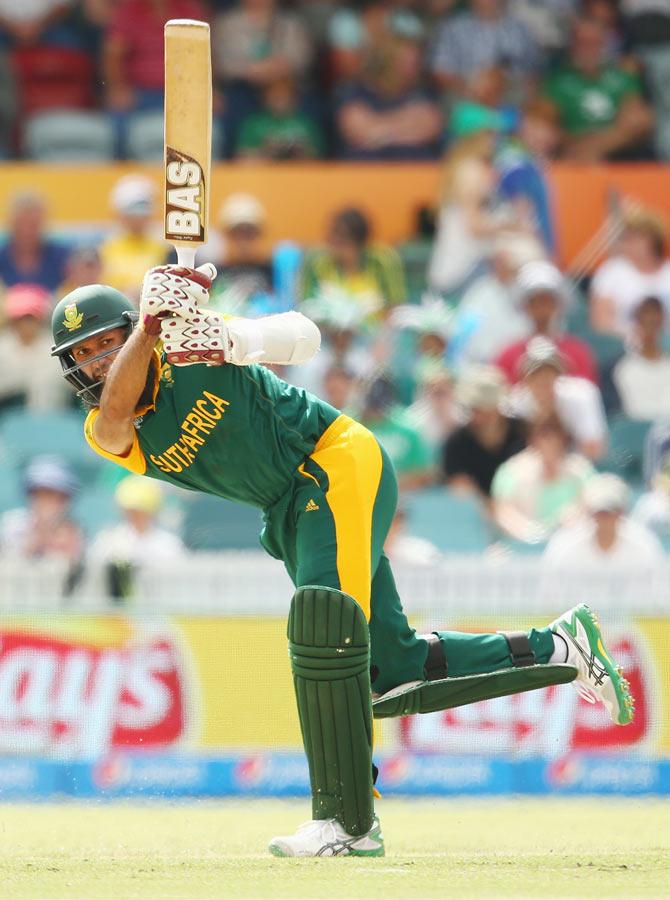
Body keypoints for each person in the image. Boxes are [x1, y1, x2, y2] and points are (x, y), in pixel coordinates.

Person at [50, 262, 634, 857]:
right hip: (287, 506)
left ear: (126, 332)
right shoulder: (107, 430)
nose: (98, 360)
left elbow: (305, 335)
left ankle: (346, 822)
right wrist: (149, 329)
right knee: (387, 674)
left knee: (324, 626)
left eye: (107, 343)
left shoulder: (193, 348)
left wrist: (230, 337)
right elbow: (121, 407)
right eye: (85, 353)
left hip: (334, 460)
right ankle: (562, 648)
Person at [542, 15, 653, 162]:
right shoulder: (556, 82)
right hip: (572, 151)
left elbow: (638, 122)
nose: (587, 49)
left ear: (603, 44)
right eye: (582, 42)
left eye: (594, 42)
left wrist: (594, 147)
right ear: (572, 45)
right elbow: (548, 128)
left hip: (618, 155)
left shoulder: (622, 77)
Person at [334, 31, 442, 161]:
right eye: (406, 62)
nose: (414, 67)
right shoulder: (355, 91)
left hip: (414, 168)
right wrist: (406, 124)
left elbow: (430, 127)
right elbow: (356, 129)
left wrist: (379, 128)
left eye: (415, 62)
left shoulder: (423, 93)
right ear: (387, 61)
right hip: (364, 170)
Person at [492, 417, 593, 545]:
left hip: (571, 545)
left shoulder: (580, 469)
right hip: (525, 550)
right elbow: (502, 512)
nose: (548, 441)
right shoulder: (511, 471)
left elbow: (594, 500)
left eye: (553, 434)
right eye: (542, 435)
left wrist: (575, 518)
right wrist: (530, 532)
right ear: (532, 439)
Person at [496, 260, 598, 384]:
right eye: (534, 302)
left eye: (546, 301)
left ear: (558, 304)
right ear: (524, 306)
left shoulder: (577, 353)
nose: (541, 309)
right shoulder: (509, 356)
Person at [299, 207, 407, 323]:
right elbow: (307, 306)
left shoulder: (382, 261)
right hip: (329, 333)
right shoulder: (318, 262)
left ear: (359, 240)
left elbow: (395, 305)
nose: (335, 243)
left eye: (343, 239)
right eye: (332, 237)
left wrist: (381, 338)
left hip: (375, 333)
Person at [88, 474, 185, 601]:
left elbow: (178, 579)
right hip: (115, 613)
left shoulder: (169, 544)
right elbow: (96, 575)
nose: (135, 516)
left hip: (159, 609)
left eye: (141, 510)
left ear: (152, 510)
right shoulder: (108, 540)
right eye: (131, 510)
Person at [510, 337, 608, 461]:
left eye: (550, 374)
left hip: (575, 466)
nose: (544, 380)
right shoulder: (516, 404)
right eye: (536, 375)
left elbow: (594, 451)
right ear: (525, 380)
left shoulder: (580, 395)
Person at [441, 365, 526, 499]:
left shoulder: (523, 431)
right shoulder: (457, 442)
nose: (478, 415)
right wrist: (491, 508)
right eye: (474, 408)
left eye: (484, 407)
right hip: (474, 514)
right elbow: (459, 485)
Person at [543, 473, 664, 566]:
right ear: (589, 513)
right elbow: (550, 591)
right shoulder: (565, 545)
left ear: (622, 512)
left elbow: (657, 590)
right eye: (599, 512)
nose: (605, 518)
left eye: (611, 511)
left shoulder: (644, 545)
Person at [590, 206, 670, 339]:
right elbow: (601, 322)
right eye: (626, 238)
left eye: (637, 237)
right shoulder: (612, 271)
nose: (629, 243)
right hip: (625, 346)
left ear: (654, 239)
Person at [0, 456, 83, 563]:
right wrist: (39, 536)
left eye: (53, 495)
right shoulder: (13, 524)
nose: (46, 502)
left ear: (65, 499)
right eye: (41, 493)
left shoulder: (75, 533)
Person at [0, 283, 69, 411]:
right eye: (20, 318)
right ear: (12, 320)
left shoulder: (57, 348)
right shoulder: (2, 348)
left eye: (30, 318)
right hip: (7, 424)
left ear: (40, 319)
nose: (25, 324)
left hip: (55, 422)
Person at [99, 175, 169, 300]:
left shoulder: (163, 248)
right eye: (132, 214)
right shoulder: (106, 248)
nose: (138, 219)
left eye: (143, 214)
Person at [235, 75, 324, 160]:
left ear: (294, 99)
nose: (280, 100)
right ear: (265, 98)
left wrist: (299, 152)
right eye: (275, 96)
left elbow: (319, 157)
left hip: (299, 172)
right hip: (264, 173)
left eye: (284, 95)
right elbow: (241, 157)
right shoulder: (254, 124)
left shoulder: (306, 123)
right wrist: (265, 151)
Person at [613, 296, 670, 421]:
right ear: (637, 324)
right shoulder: (625, 369)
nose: (651, 329)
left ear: (662, 323)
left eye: (655, 322)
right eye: (646, 322)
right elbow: (636, 412)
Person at [0, 190, 69, 292]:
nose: (27, 231)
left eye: (33, 225)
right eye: (21, 224)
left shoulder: (63, 258)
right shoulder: (2, 257)